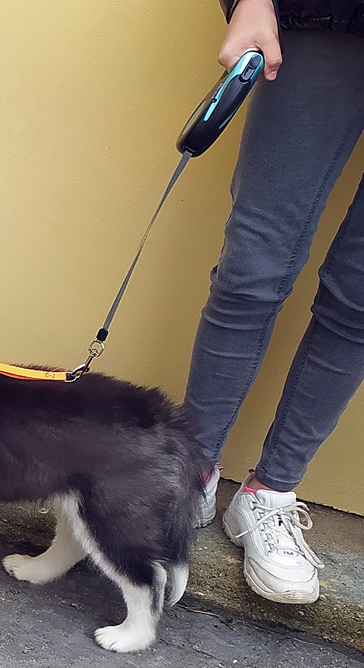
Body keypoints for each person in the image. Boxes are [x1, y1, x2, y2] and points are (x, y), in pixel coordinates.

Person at [186, 0, 364, 604]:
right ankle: (189, 469)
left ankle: (270, 493)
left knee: (362, 297)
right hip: (327, 20)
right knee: (252, 270)